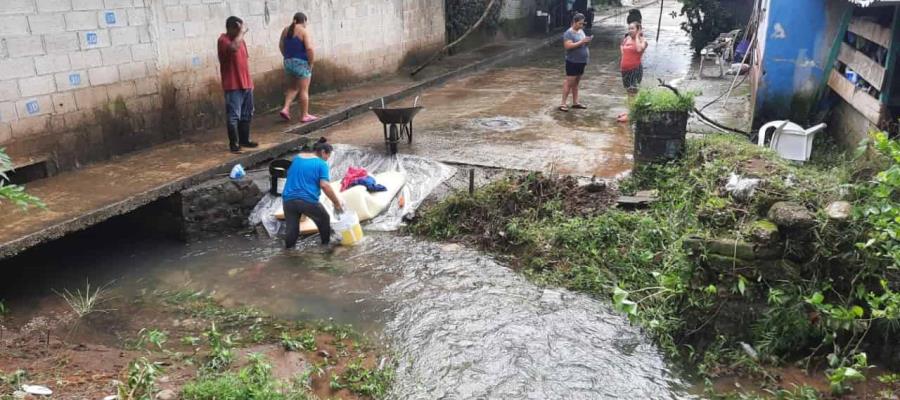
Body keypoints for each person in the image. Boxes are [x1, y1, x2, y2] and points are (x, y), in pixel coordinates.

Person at [282, 138, 344, 248]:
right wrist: (336, 203)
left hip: (288, 199)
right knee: (324, 218)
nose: (327, 159)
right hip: (307, 200)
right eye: (327, 156)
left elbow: (290, 174)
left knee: (292, 228)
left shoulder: (297, 158)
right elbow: (325, 185)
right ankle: (326, 247)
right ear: (323, 152)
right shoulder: (321, 164)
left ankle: (288, 253)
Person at [218, 16, 258, 153]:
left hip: (245, 84)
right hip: (233, 85)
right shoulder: (223, 40)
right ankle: (234, 144)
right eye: (238, 29)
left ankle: (244, 140)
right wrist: (242, 32)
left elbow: (244, 62)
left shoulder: (241, 41)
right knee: (234, 116)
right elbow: (233, 48)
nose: (241, 31)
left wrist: (250, 83)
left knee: (247, 113)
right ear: (231, 28)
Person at [278, 12, 318, 123]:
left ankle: (285, 108)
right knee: (304, 90)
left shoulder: (285, 30)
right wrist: (311, 63)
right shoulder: (303, 31)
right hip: (301, 63)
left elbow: (281, 45)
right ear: (304, 21)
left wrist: (287, 57)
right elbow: (309, 49)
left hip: (288, 62)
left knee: (293, 88)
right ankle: (304, 115)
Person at [617, 20, 648, 123]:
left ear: (638, 29)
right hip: (625, 69)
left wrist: (638, 36)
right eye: (629, 28)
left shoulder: (643, 40)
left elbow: (639, 50)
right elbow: (623, 50)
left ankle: (631, 115)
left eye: (632, 28)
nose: (630, 30)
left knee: (633, 92)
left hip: (635, 69)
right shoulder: (626, 39)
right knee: (629, 91)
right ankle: (631, 111)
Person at [559, 13, 591, 112]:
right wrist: (582, 42)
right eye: (580, 24)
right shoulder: (568, 33)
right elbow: (568, 46)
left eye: (582, 24)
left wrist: (587, 41)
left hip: (581, 61)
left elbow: (582, 43)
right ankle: (563, 103)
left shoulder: (581, 31)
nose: (581, 26)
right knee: (569, 82)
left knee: (576, 82)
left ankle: (575, 102)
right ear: (574, 22)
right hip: (572, 61)